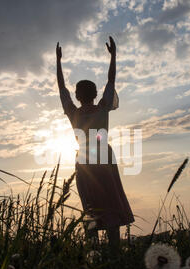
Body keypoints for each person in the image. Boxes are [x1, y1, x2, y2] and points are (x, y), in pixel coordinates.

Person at [56, 36, 134, 253]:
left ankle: (93, 254)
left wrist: (59, 62)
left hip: (84, 161)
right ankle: (115, 253)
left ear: (78, 95)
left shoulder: (73, 112)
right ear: (95, 94)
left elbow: (61, 88)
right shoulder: (102, 108)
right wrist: (113, 56)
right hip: (103, 158)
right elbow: (111, 81)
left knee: (90, 206)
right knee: (111, 201)